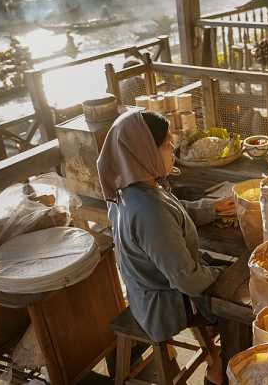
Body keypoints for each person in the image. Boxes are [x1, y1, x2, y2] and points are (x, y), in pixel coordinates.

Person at [97, 111, 225, 383]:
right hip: (166, 304)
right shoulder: (148, 210)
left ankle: (213, 353)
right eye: (167, 145)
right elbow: (187, 280)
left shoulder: (129, 186)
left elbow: (172, 216)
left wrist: (212, 209)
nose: (172, 151)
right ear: (145, 151)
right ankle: (218, 371)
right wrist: (220, 275)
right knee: (239, 303)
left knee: (226, 272)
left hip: (146, 289)